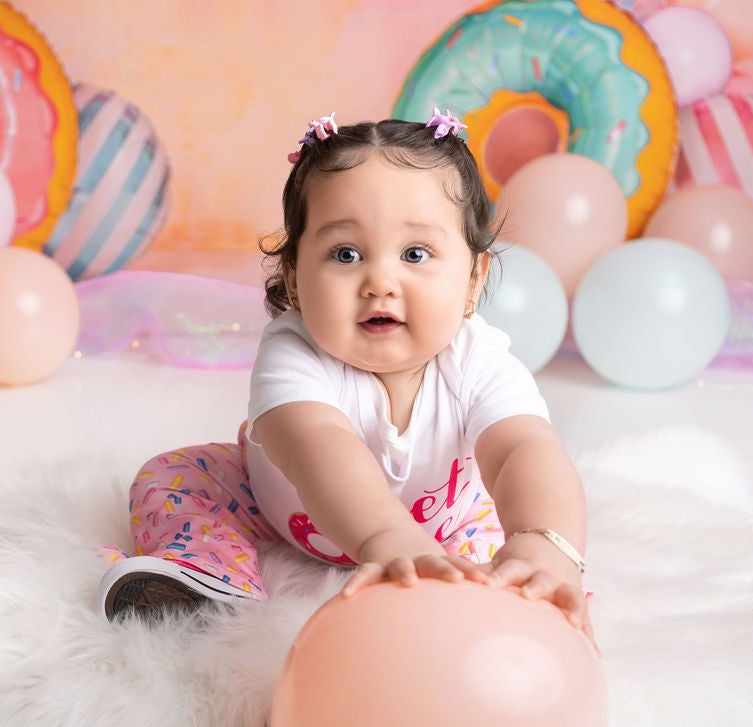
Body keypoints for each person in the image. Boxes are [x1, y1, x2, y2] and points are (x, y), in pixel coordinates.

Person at [97, 109, 594, 645]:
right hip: (279, 508)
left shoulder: (478, 359)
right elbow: (318, 447)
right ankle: (213, 579)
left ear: (473, 279)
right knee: (173, 477)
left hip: (445, 524)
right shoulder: (294, 351)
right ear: (294, 277)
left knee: (505, 534)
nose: (380, 281)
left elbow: (525, 446)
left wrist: (544, 540)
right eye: (345, 253)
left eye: (415, 254)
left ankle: (506, 600)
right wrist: (388, 536)